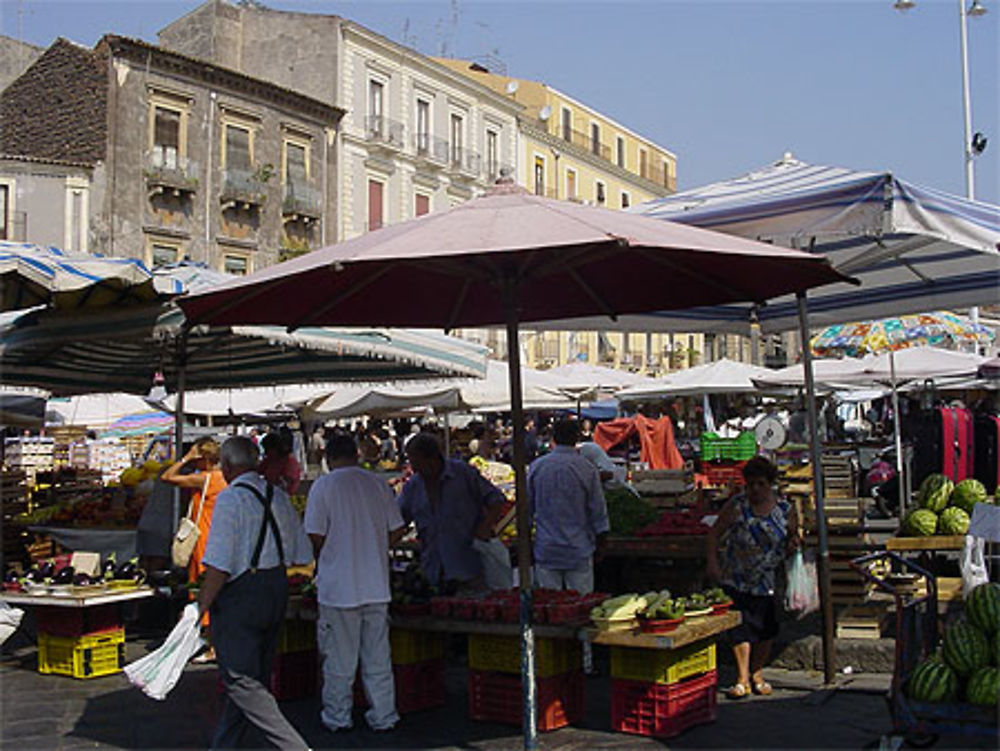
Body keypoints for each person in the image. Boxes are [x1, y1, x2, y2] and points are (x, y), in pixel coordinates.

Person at [195, 436, 313, 749]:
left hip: (241, 596)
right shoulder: (277, 495)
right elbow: (302, 553)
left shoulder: (231, 499)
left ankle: (294, 747)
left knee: (240, 680)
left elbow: (219, 563)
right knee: (254, 676)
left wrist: (200, 606)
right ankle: (225, 745)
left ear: (228, 466)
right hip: (275, 589)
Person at [304, 433, 405, 733]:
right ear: (356, 454)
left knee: (339, 661)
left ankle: (337, 717)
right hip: (376, 585)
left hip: (338, 588)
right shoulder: (377, 484)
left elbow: (315, 534)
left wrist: (335, 548)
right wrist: (374, 544)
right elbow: (397, 529)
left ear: (328, 458)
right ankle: (384, 715)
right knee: (378, 658)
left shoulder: (323, 486)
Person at [706, 455, 799, 700]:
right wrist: (713, 563)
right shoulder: (737, 506)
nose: (755, 490)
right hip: (736, 577)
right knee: (740, 629)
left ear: (770, 484)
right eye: (751, 485)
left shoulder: (785, 510)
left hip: (768, 581)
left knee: (765, 630)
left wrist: (793, 544)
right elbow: (715, 534)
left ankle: (757, 672)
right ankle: (742, 677)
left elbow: (793, 538)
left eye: (761, 484)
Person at [398, 432, 505, 592]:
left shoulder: (463, 474)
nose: (412, 466)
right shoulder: (413, 486)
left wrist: (484, 527)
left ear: (431, 458)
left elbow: (497, 500)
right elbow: (399, 519)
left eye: (415, 461)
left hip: (468, 567)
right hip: (433, 569)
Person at [527, 419, 609, 594]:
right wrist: (601, 544)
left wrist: (526, 544)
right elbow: (598, 511)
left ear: (554, 437)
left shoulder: (537, 467)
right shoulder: (587, 469)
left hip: (546, 549)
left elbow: (526, 510)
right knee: (580, 605)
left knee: (549, 607)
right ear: (577, 437)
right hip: (578, 549)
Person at [161, 438, 227, 588]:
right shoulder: (224, 477)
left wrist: (186, 458)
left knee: (200, 582)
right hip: (218, 535)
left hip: (202, 536)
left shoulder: (204, 478)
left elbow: (167, 477)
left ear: (203, 459)